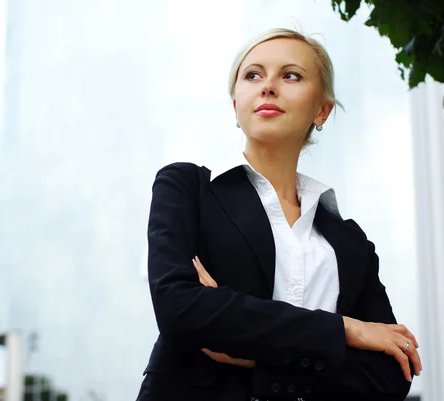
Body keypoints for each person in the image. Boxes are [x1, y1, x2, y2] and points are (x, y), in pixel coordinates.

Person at [136, 28, 422, 401]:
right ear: (235, 104)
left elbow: (390, 376)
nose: (268, 86)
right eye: (252, 75)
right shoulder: (186, 188)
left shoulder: (349, 242)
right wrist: (345, 331)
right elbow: (180, 309)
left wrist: (246, 348)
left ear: (322, 109)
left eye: (291, 75)